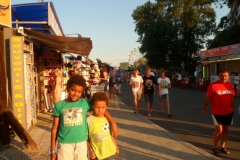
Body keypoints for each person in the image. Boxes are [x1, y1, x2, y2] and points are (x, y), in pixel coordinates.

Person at [50, 75, 118, 160]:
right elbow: (54, 129)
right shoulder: (59, 106)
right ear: (67, 88)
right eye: (73, 90)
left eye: (79, 92)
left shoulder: (85, 103)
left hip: (81, 145)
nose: (76, 94)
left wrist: (113, 123)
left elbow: (100, 107)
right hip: (65, 145)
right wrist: (52, 150)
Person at [202, 70, 234, 156]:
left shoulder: (230, 85)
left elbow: (232, 98)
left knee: (226, 129)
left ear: (228, 76)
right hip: (217, 112)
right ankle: (215, 147)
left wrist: (232, 108)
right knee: (219, 130)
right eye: (222, 75)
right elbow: (207, 98)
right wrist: (204, 108)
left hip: (228, 111)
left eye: (225, 76)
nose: (223, 77)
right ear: (218, 76)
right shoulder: (213, 85)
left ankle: (223, 147)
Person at [87, 92, 119, 160]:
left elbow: (110, 135)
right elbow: (85, 138)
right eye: (97, 107)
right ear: (92, 106)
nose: (100, 110)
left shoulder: (107, 119)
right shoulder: (88, 120)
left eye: (103, 107)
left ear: (106, 107)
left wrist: (115, 146)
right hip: (97, 154)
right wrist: (90, 150)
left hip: (110, 152)